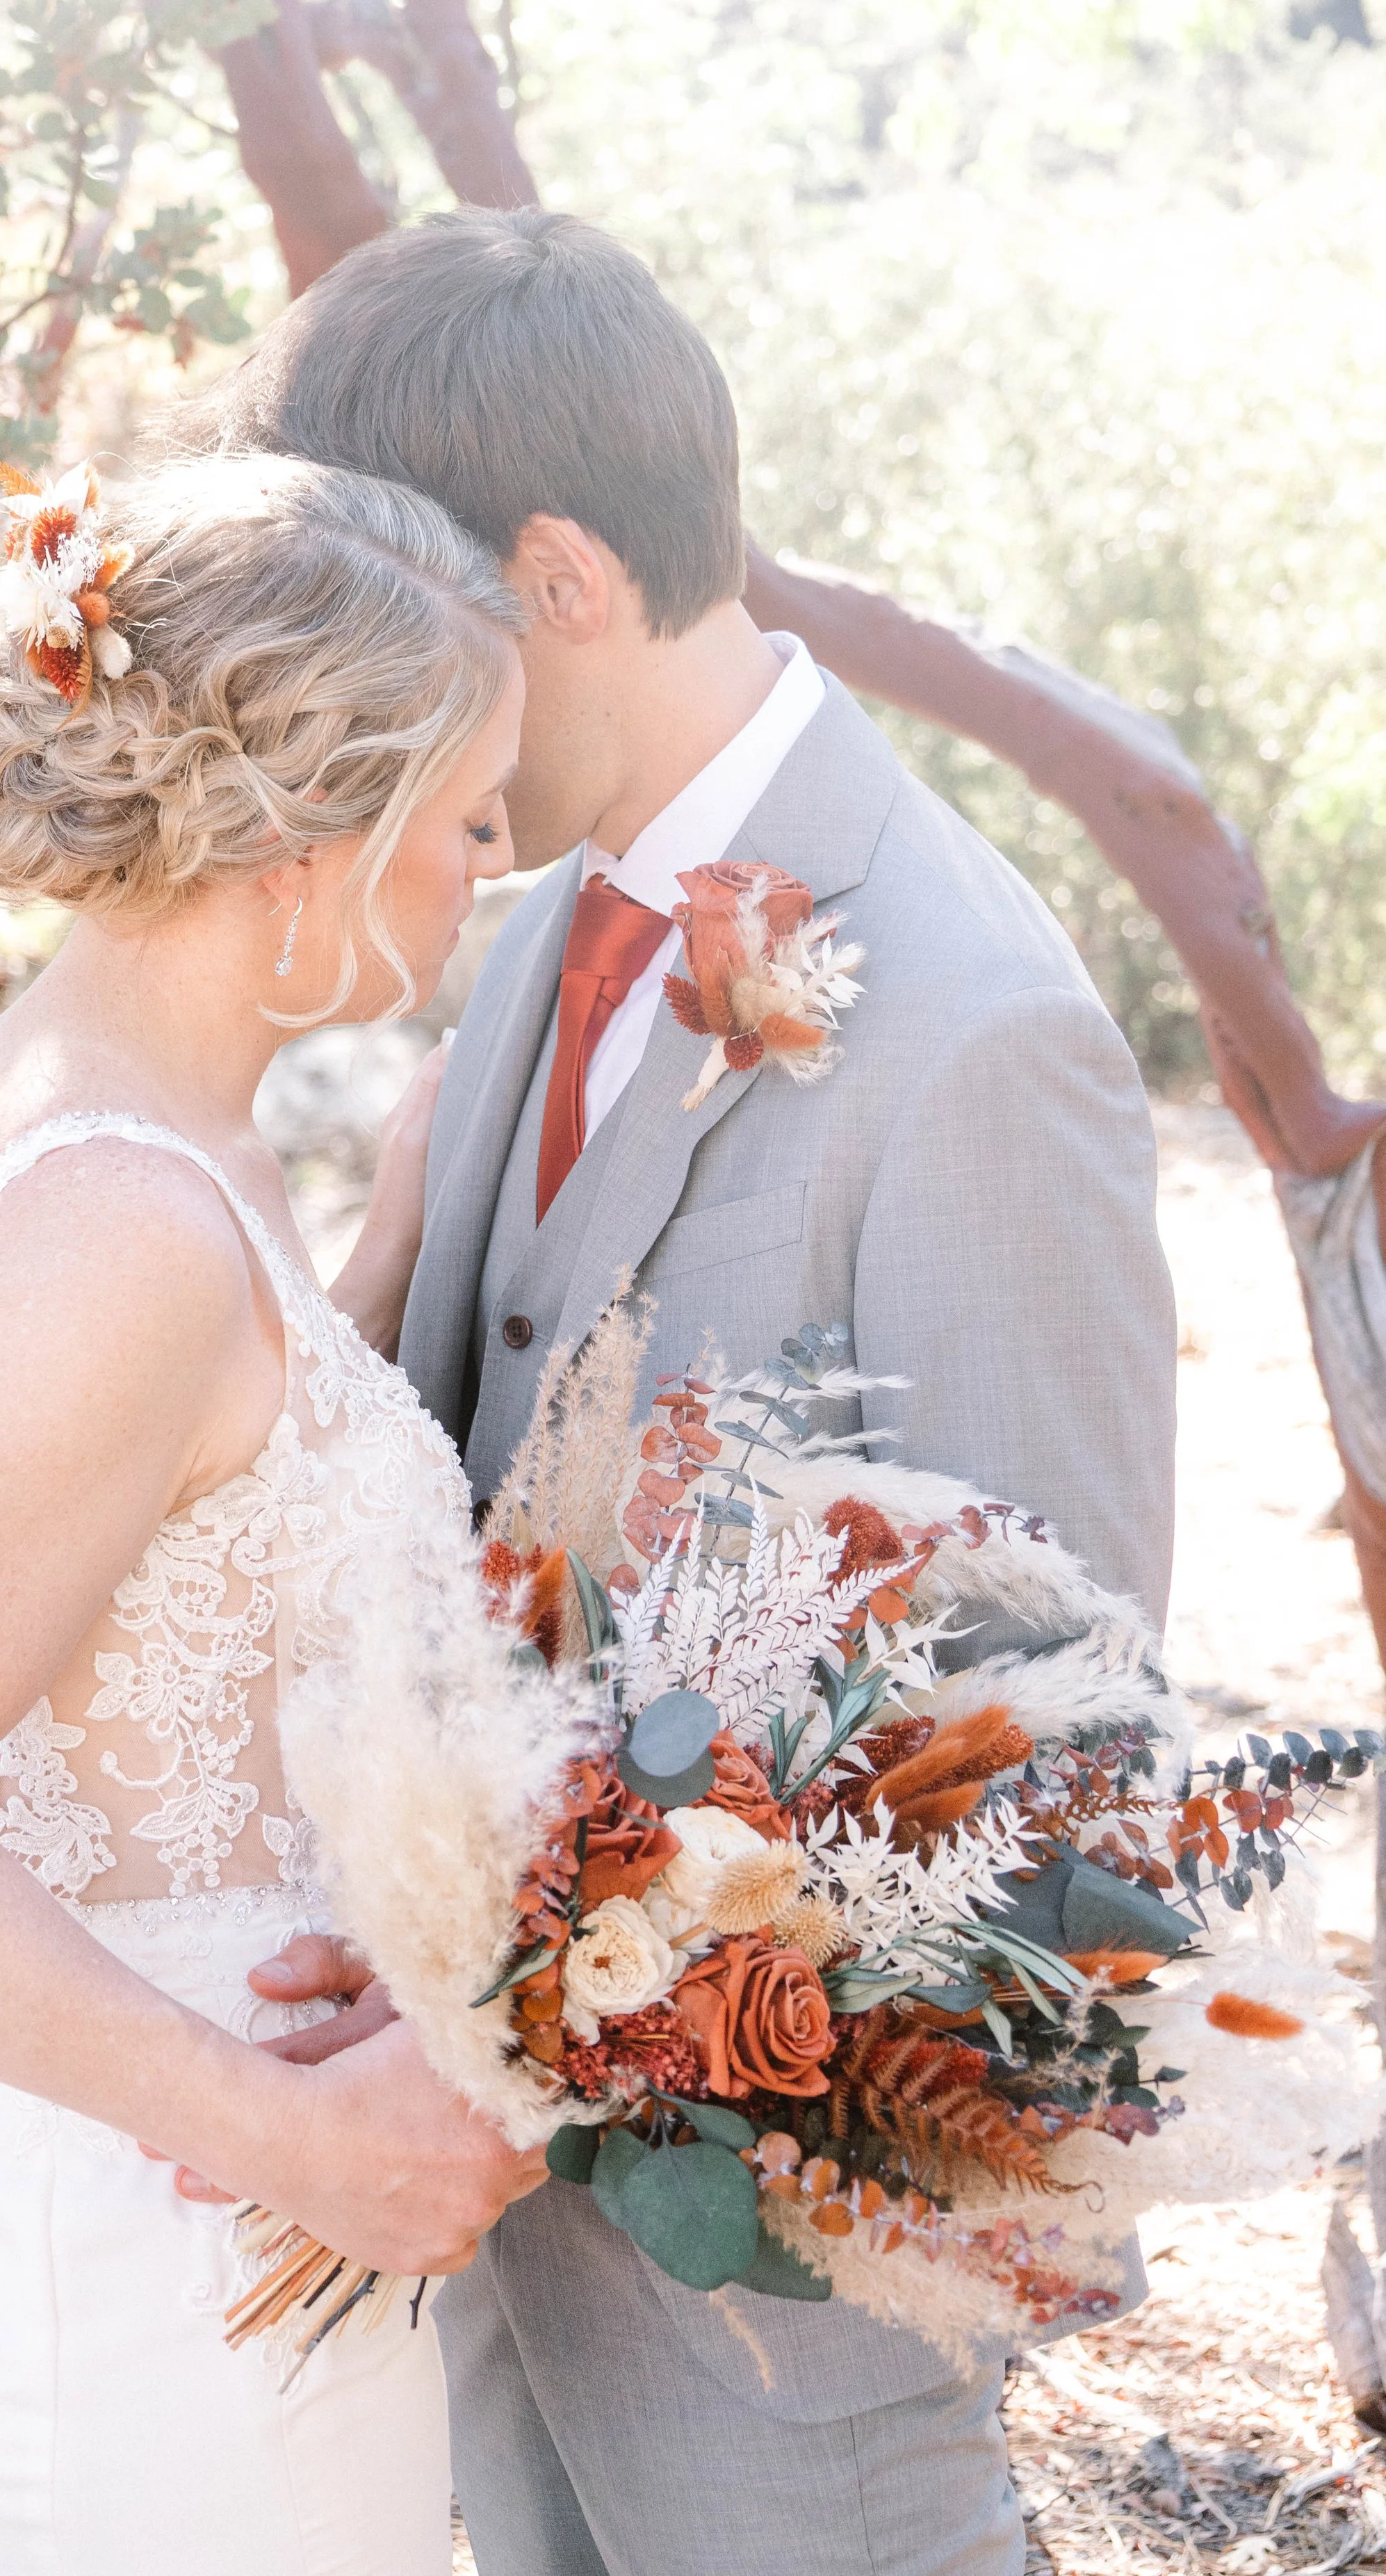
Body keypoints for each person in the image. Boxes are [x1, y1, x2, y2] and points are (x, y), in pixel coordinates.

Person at [205, 206, 1178, 2576]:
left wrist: (541, 2044)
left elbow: (1026, 1765)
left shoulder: (974, 1036)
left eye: (389, 622)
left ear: (550, 581)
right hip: (488, 2281)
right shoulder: (534, 924)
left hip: (790, 2348)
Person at [0, 451, 548, 2576]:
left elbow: (172, 1506)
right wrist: (292, 2133)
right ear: (307, 838)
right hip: (138, 2268)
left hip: (145, 2215)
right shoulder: (116, 1223)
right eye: (463, 820)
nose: (488, 871)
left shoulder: (72, 1117)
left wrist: (377, 1258)